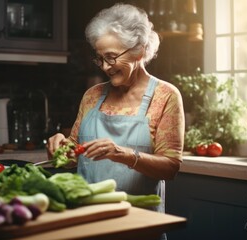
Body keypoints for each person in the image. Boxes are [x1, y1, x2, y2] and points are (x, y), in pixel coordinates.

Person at [47, 4, 184, 237]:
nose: (105, 67)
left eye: (111, 57)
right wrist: (60, 149)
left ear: (139, 50)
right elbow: (72, 158)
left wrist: (121, 153)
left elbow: (170, 167)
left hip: (138, 226)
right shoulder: (92, 95)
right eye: (100, 59)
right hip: (85, 224)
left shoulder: (166, 96)